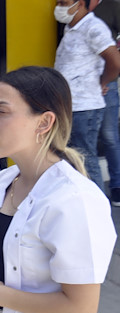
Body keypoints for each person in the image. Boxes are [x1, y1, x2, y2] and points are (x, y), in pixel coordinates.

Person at [0, 66, 117, 313]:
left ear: (44, 123)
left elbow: (81, 308)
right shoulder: (7, 181)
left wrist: (2, 296)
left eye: (2, 111)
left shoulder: (74, 199)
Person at [53, 0, 120, 190]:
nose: (59, 7)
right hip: (70, 105)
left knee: (86, 160)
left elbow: (115, 62)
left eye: (63, 2)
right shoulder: (72, 27)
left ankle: (98, 211)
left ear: (80, 3)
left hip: (85, 107)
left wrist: (103, 82)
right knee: (73, 158)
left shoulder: (93, 27)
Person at [91, 0, 120, 205]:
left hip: (106, 83)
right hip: (80, 86)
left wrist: (108, 77)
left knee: (109, 136)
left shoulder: (112, 5)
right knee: (85, 139)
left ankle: (117, 185)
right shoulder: (70, 6)